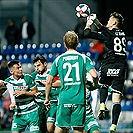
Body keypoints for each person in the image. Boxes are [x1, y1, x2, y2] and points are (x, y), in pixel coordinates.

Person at [44, 30, 99, 133]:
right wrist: (95, 85)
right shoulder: (83, 58)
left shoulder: (59, 59)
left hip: (64, 99)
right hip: (79, 100)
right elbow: (95, 75)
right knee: (78, 129)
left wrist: (47, 98)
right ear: (78, 44)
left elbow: (49, 81)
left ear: (65, 44)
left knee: (60, 127)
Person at [84, 12, 127, 133]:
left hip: (109, 63)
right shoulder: (122, 34)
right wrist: (97, 21)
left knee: (103, 84)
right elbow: (105, 29)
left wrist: (89, 22)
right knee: (116, 99)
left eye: (109, 19)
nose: (107, 21)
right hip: (120, 66)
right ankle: (113, 125)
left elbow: (86, 33)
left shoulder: (108, 34)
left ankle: (102, 104)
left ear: (114, 23)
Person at [0, 60, 40, 133]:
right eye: (18, 68)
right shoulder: (8, 81)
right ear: (11, 72)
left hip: (32, 112)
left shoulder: (27, 78)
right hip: (19, 114)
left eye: (20, 67)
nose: (21, 69)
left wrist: (24, 92)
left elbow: (35, 92)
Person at [31, 55, 60, 133]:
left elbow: (62, 83)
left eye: (38, 65)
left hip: (52, 104)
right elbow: (28, 87)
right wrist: (33, 93)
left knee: (50, 128)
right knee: (41, 130)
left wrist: (49, 84)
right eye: (35, 66)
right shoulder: (33, 76)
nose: (37, 68)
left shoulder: (52, 73)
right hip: (39, 106)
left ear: (45, 64)